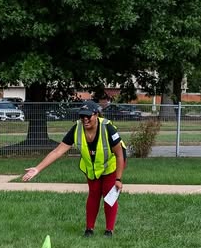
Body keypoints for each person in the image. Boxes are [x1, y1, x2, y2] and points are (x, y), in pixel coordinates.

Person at [22, 101, 126, 236]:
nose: (85, 119)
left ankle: (109, 230)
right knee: (94, 193)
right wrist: (37, 168)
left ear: (96, 115)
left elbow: (119, 155)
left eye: (88, 116)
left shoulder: (108, 128)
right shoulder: (77, 129)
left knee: (109, 195)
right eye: (82, 116)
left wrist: (118, 179)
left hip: (111, 165)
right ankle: (89, 229)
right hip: (92, 167)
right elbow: (57, 151)